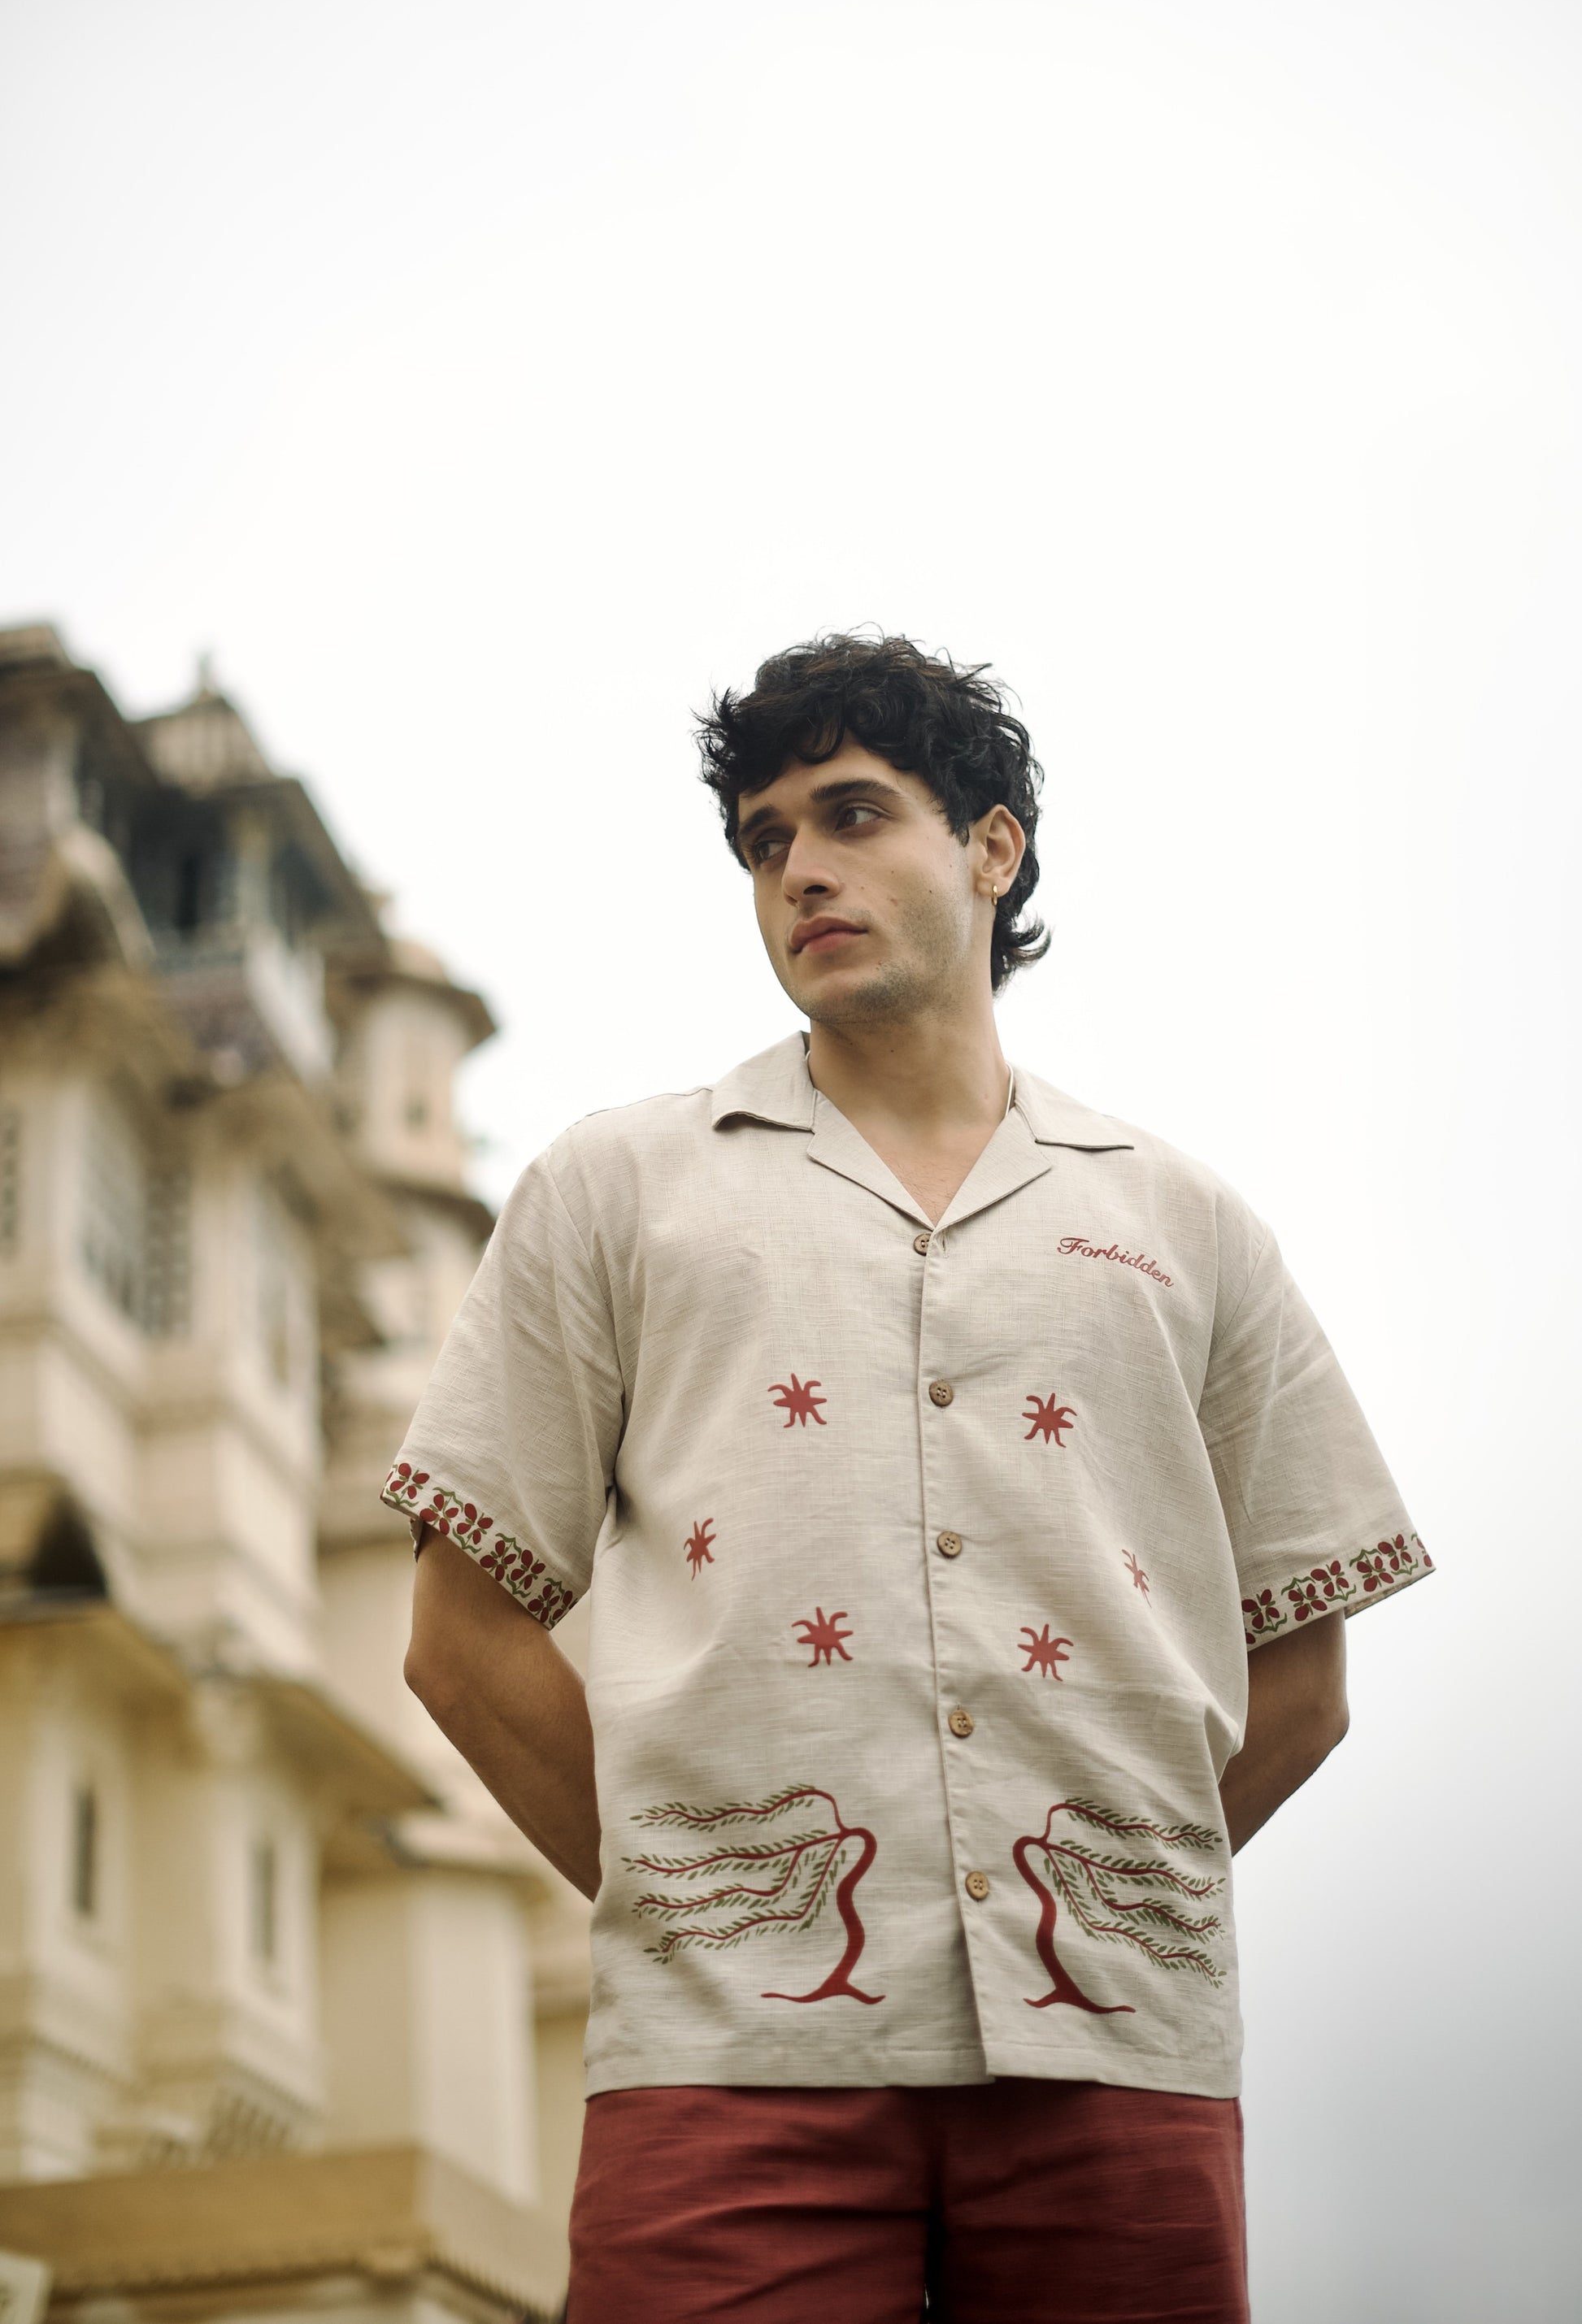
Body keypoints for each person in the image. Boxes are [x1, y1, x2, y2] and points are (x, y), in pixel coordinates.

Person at [393, 634, 1432, 2323]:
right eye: (761, 836)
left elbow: (1301, 1670)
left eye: (852, 812)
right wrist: (700, 1904)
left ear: (990, 844)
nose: (800, 867)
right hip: (724, 2069)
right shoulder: (620, 1188)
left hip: (1120, 2059)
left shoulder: (1185, 1224)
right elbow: (457, 1629)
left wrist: (1091, 1896)